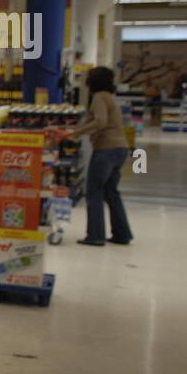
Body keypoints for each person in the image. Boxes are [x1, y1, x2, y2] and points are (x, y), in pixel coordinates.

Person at [61, 67, 133, 246]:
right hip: (120, 148)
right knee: (112, 192)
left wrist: (76, 132)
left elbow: (101, 121)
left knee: (94, 192)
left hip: (106, 149)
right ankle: (122, 234)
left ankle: (95, 235)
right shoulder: (110, 97)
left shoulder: (99, 97)